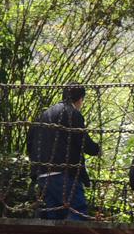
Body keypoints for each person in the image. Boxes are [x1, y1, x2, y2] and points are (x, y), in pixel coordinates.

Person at [27, 84, 100, 220]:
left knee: (53, 215)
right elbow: (83, 141)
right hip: (64, 173)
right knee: (78, 210)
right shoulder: (72, 113)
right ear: (80, 99)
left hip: (42, 173)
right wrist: (97, 149)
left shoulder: (43, 115)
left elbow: (30, 142)